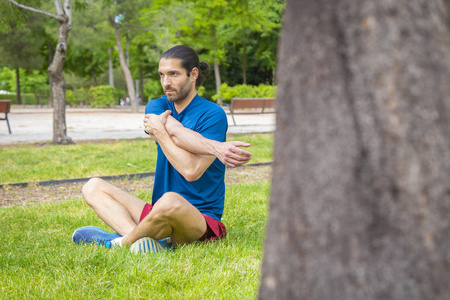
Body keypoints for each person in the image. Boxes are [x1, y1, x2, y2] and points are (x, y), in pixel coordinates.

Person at [72, 45, 252, 254]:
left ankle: (119, 242)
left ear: (193, 74)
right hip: (158, 212)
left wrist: (161, 133)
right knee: (93, 187)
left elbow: (191, 171)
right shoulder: (156, 106)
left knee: (171, 200)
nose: (166, 82)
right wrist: (217, 147)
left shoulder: (213, 114)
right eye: (162, 75)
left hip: (200, 219)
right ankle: (141, 243)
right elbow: (174, 130)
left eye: (173, 74)